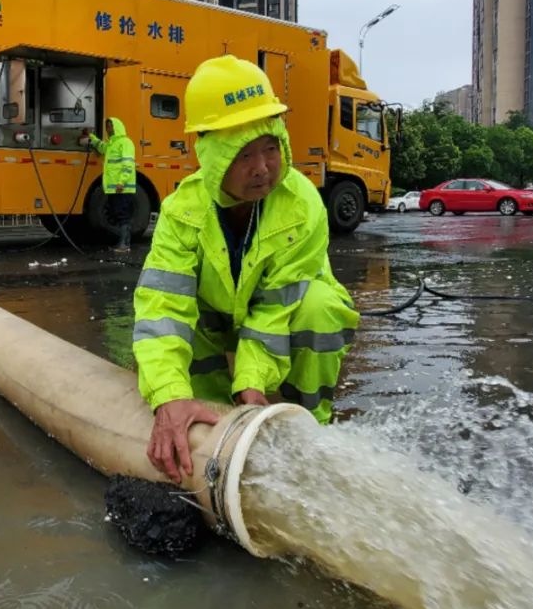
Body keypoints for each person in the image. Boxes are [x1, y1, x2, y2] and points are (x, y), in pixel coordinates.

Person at [132, 55, 360, 483]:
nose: (262, 168)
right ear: (211, 153)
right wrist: (169, 396)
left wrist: (251, 386)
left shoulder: (302, 204)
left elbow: (277, 309)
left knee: (320, 306)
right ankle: (218, 426)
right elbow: (163, 309)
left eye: (271, 148)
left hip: (285, 317)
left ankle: (311, 428)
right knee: (187, 358)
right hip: (218, 319)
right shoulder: (182, 211)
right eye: (243, 154)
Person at [89, 117, 137, 253]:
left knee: (122, 214)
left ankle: (125, 244)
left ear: (116, 127)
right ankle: (122, 243)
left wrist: (122, 181)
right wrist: (91, 137)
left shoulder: (125, 142)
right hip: (114, 188)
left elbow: (128, 164)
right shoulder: (111, 144)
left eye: (110, 126)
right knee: (117, 213)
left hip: (122, 187)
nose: (108, 129)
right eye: (107, 126)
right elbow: (101, 147)